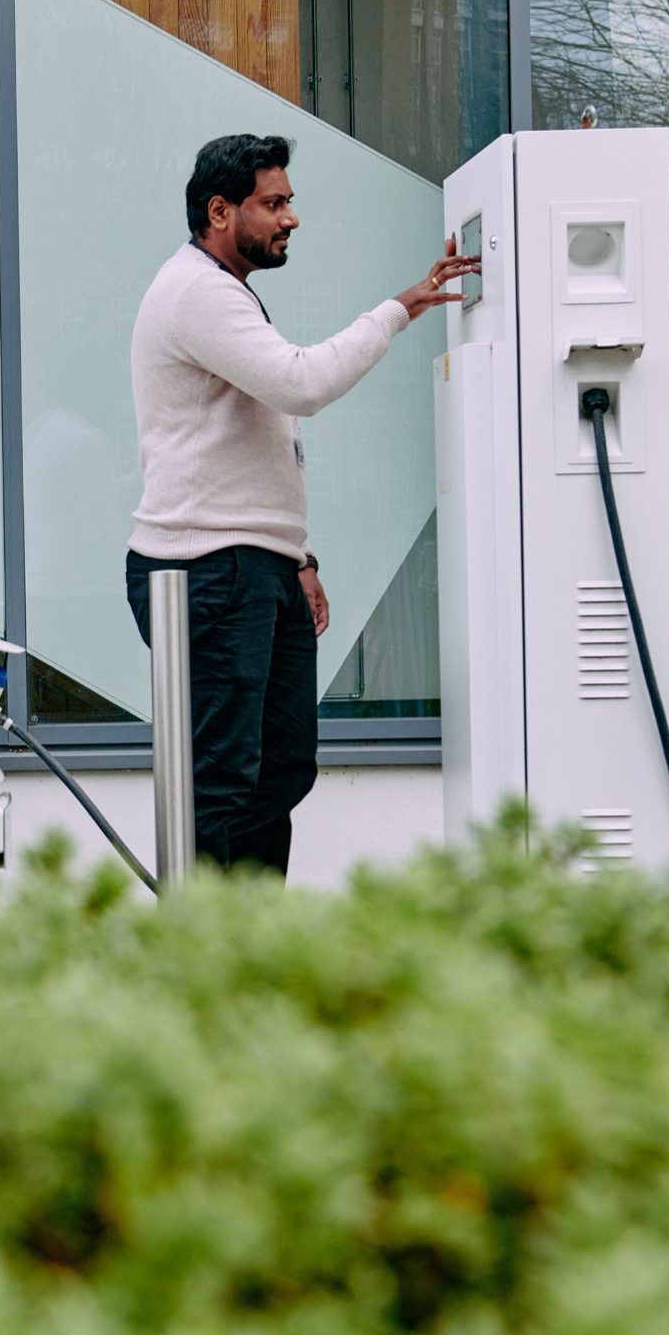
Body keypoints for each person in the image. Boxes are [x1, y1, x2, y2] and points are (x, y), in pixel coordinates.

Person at [125, 133, 477, 876]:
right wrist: (398, 309)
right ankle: (203, 964)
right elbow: (300, 386)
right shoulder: (198, 292)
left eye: (290, 202)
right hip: (206, 570)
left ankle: (255, 952)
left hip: (254, 564)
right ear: (220, 211)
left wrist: (298, 557)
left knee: (280, 773)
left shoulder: (226, 292)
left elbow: (254, 441)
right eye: (274, 203)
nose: (291, 219)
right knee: (220, 784)